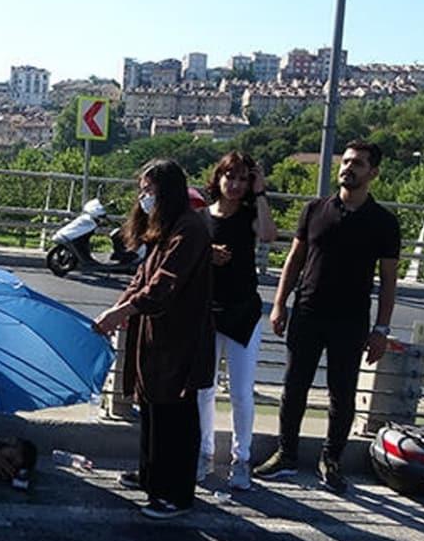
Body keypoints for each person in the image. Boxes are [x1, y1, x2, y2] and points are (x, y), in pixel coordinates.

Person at [253, 140, 400, 494]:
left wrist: (381, 329)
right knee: (294, 387)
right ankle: (286, 454)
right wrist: (279, 303)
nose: (349, 168)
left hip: (350, 320)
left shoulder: (384, 222)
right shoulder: (315, 209)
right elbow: (295, 260)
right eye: (346, 161)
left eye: (359, 164)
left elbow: (390, 280)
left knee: (342, 393)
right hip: (307, 312)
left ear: (373, 173)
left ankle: (331, 460)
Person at [93, 159, 214, 520]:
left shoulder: (190, 230)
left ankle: (174, 494)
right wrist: (117, 310)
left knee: (175, 415)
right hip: (156, 336)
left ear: (166, 191)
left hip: (181, 337)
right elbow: (141, 279)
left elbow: (162, 285)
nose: (143, 198)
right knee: (152, 409)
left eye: (148, 190)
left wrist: (122, 313)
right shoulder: (166, 227)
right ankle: (151, 475)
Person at [196, 152, 277, 491]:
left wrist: (260, 195)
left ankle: (241, 458)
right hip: (207, 310)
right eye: (231, 177)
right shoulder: (201, 217)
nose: (235, 184)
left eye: (243, 179)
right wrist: (208, 253)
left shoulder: (249, 215)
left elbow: (269, 235)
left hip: (243, 311)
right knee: (204, 388)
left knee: (242, 392)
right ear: (219, 178)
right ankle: (204, 452)